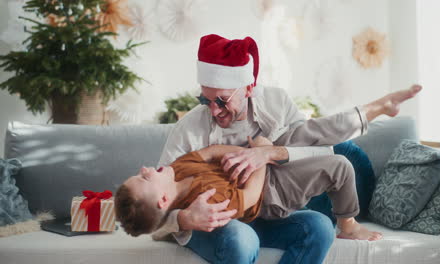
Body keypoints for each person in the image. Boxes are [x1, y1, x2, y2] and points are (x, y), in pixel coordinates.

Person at [146, 34, 422, 264]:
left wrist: (268, 153)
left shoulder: (275, 103)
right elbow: (154, 209)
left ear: (249, 87)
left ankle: (374, 109)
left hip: (267, 202)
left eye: (222, 100)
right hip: (218, 220)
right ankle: (371, 110)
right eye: (206, 100)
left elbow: (321, 148)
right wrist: (185, 217)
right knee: (241, 239)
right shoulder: (190, 129)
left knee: (320, 227)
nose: (214, 110)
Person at [115, 135, 383, 242]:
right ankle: (348, 227)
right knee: (340, 166)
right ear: (163, 200)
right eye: (144, 179)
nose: (144, 170)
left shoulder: (177, 169)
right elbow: (250, 197)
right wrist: (263, 155)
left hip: (263, 171)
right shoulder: (207, 201)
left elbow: (210, 152)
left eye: (139, 174)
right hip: (270, 196)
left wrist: (251, 155)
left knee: (327, 149)